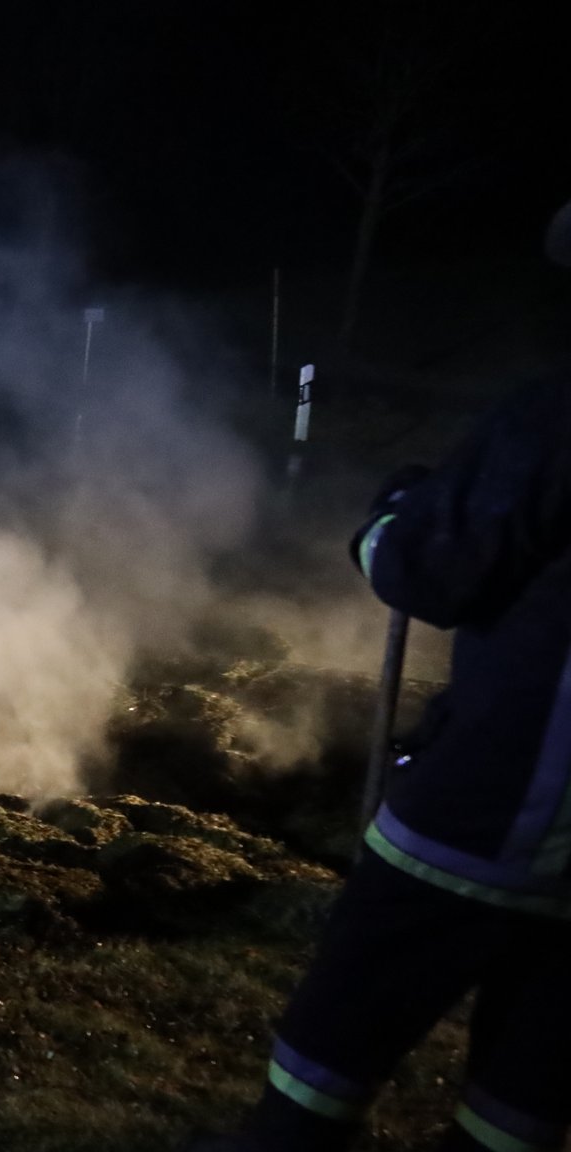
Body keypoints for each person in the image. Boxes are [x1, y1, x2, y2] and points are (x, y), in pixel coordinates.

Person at [194, 204, 571, 1152]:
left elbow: (429, 569)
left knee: (354, 1000)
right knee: (531, 1084)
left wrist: (394, 512)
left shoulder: (554, 416)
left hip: (498, 798)